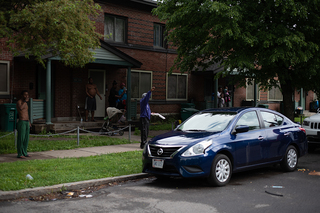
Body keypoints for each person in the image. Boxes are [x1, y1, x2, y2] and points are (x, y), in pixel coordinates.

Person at [16, 90, 32, 159]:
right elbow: (21, 108)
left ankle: (25, 152)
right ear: (22, 95)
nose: (26, 96)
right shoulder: (19, 102)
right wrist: (25, 101)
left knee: (26, 138)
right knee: (21, 138)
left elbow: (26, 113)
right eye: (25, 95)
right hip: (21, 121)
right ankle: (20, 153)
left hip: (26, 122)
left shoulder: (26, 103)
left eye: (27, 95)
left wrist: (29, 122)